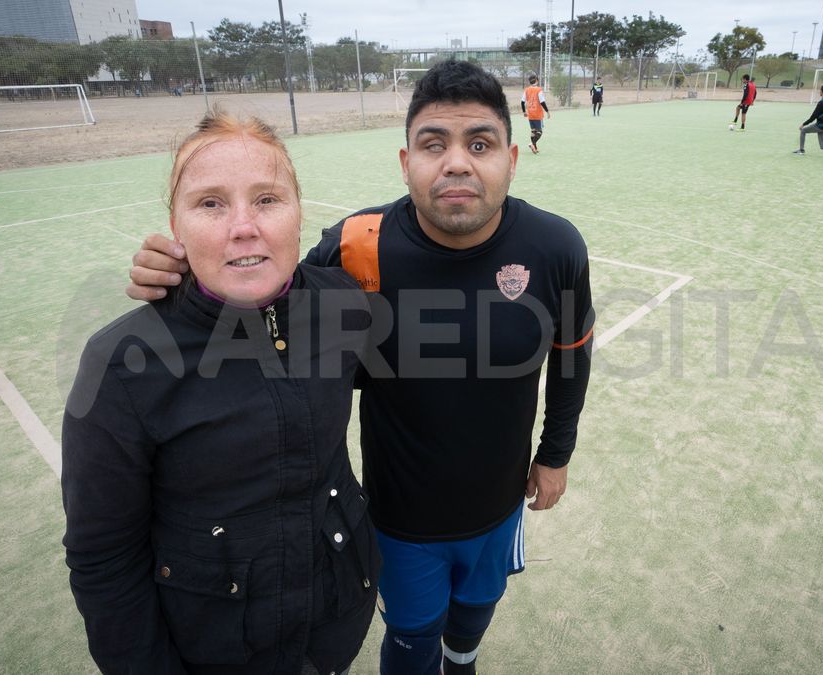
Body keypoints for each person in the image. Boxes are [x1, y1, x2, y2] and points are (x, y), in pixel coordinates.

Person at [126, 60, 595, 675]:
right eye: (435, 144)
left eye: (479, 144)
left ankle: (464, 661)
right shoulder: (357, 243)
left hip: (501, 503)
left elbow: (571, 358)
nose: (457, 162)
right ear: (406, 164)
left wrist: (555, 454)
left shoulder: (557, 246)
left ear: (512, 157)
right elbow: (267, 297)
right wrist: (189, 277)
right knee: (410, 631)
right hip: (398, 518)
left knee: (477, 610)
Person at [63, 110, 380, 675]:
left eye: (267, 199)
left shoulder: (344, 306)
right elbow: (104, 559)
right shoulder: (122, 363)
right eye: (210, 203)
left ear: (300, 214)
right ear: (174, 227)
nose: (243, 226)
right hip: (214, 651)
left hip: (335, 624)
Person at [521, 73, 551, 154]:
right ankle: (532, 144)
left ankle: (535, 148)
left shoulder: (526, 90)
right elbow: (542, 102)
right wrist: (547, 111)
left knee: (533, 131)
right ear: (537, 81)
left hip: (530, 113)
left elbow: (522, 101)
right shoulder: (539, 90)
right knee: (539, 132)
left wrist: (524, 111)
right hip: (537, 114)